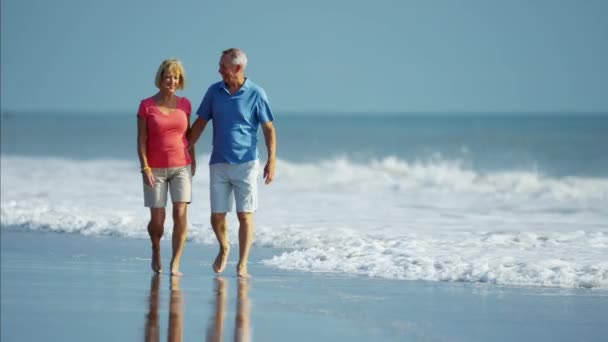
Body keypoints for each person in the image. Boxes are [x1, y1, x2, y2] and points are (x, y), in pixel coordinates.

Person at [188, 48, 276, 278]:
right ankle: (224, 247)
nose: (219, 70)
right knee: (217, 215)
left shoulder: (257, 93)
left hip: (246, 163)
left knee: (244, 215)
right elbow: (200, 123)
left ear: (238, 68)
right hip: (218, 162)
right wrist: (187, 148)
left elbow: (268, 128)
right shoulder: (214, 92)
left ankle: (243, 263)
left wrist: (271, 161)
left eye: (223, 67)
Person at [137, 58, 195, 276]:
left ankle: (175, 262)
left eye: (176, 77)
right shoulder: (146, 106)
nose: (172, 80)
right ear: (160, 79)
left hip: (182, 166)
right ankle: (156, 248)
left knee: (180, 213)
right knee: (157, 220)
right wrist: (145, 168)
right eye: (169, 76)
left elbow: (188, 137)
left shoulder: (185, 104)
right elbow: (141, 140)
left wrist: (193, 159)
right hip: (155, 169)